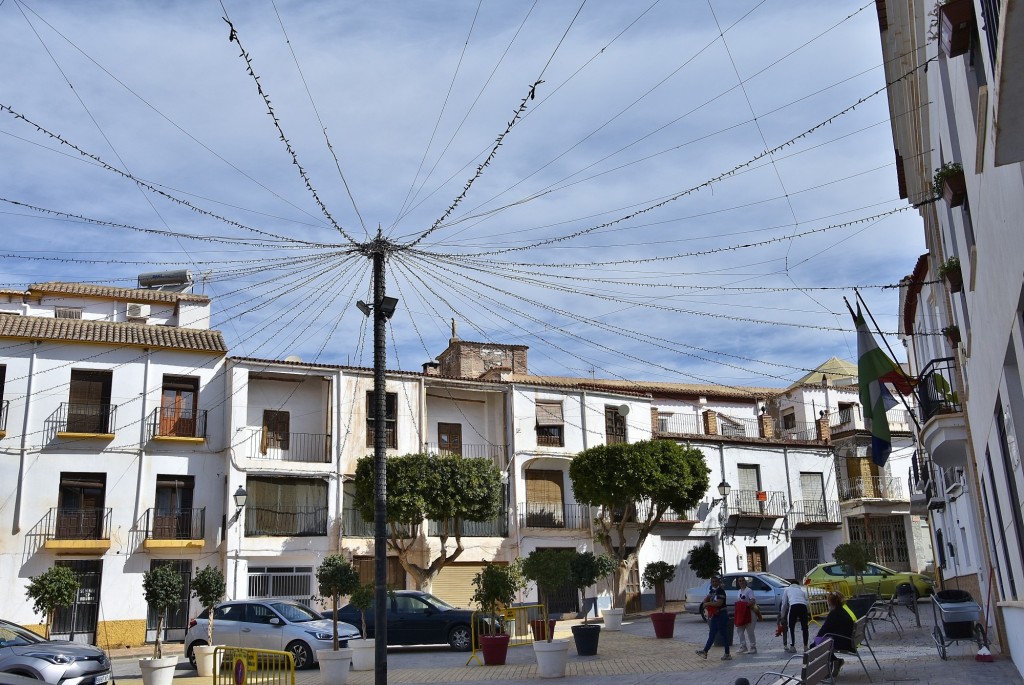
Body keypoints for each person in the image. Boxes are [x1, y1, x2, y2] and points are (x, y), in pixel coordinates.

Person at [812, 591, 857, 677]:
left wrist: (816, 639)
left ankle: (826, 671)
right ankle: (835, 661)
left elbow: (823, 631)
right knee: (820, 643)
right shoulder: (844, 610)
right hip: (848, 640)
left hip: (844, 642)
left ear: (830, 602)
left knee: (814, 646)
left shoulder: (834, 614)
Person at [696, 575, 732, 660]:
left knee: (723, 634)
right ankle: (705, 651)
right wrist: (706, 601)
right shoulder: (712, 591)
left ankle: (727, 653)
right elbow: (706, 600)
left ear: (719, 582)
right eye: (713, 582)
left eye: (716, 581)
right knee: (712, 634)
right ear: (711, 583)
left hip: (722, 614)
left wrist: (708, 604)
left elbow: (719, 603)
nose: (714, 583)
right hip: (715, 615)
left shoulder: (720, 591)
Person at [780, 580, 809, 653]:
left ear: (791, 584)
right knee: (805, 627)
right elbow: (806, 601)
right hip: (803, 607)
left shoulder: (787, 589)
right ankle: (805, 646)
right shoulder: (802, 590)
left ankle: (792, 646)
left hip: (793, 606)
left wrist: (782, 615)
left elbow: (784, 604)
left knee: (791, 627)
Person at [734, 576, 757, 654]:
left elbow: (752, 600)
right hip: (741, 613)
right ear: (738, 583)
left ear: (745, 581)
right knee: (739, 629)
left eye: (743, 580)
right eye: (740, 581)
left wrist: (745, 605)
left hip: (749, 612)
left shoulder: (749, 590)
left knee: (750, 630)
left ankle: (753, 647)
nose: (741, 582)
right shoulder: (739, 591)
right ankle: (743, 646)